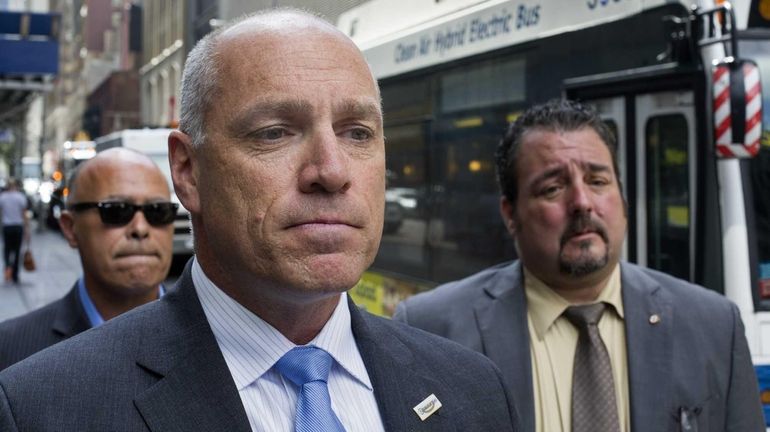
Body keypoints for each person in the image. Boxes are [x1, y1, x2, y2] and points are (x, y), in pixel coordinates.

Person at [0, 10, 519, 431]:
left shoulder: (473, 390)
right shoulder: (42, 408)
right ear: (188, 171)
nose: (332, 171)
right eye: (274, 132)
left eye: (357, 133)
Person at [394, 99, 764, 432]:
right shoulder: (431, 329)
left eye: (598, 181)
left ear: (622, 196)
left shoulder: (714, 325)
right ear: (511, 214)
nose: (582, 202)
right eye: (553, 188)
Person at [0, 148, 176, 370]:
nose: (140, 228)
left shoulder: (213, 338)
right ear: (70, 228)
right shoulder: (12, 351)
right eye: (116, 210)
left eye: (158, 211)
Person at [0, 178, 29, 283]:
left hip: (7, 227)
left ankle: (8, 269)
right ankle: (15, 274)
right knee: (17, 250)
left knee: (7, 249)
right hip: (18, 227)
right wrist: (27, 229)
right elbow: (24, 214)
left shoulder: (2, 197)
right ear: (16, 186)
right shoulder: (20, 197)